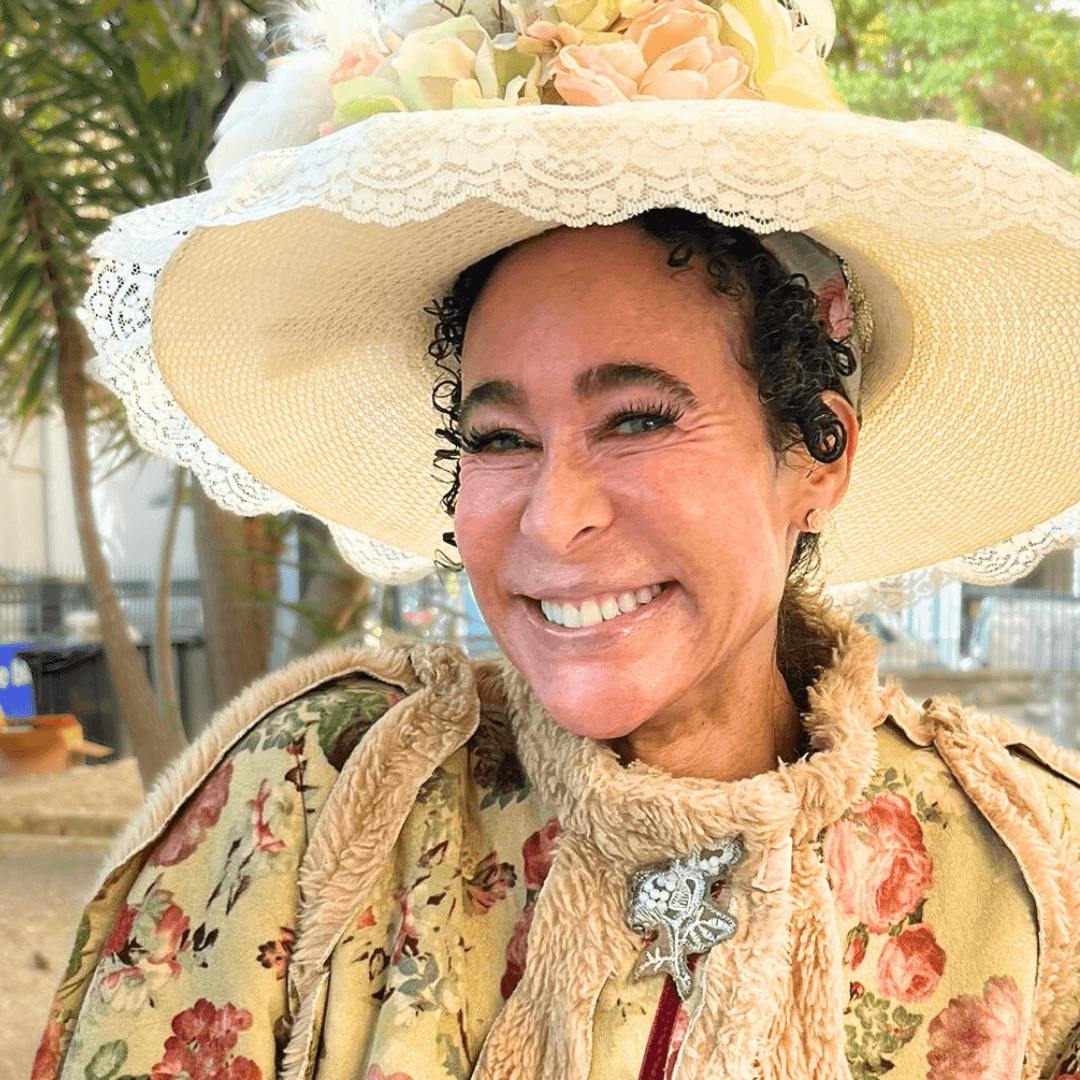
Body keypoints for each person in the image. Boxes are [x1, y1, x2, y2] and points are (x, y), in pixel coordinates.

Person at [34, 0, 1080, 1077]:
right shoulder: (314, 801)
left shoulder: (1032, 876)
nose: (552, 513)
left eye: (637, 419)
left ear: (818, 457)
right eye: (498, 437)